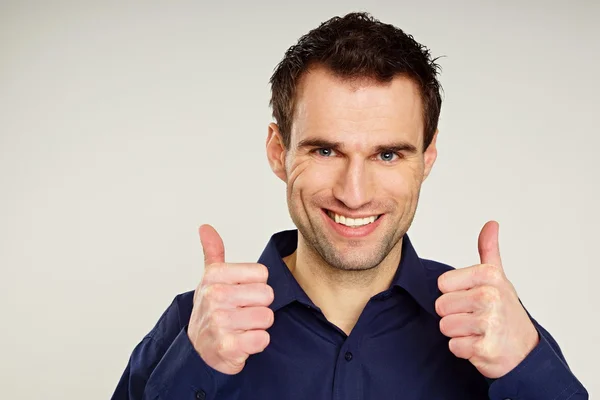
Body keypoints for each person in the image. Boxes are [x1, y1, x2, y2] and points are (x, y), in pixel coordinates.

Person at [112, 12, 588, 400]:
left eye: (387, 154)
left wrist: (528, 370)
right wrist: (194, 370)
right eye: (325, 150)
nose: (354, 193)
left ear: (428, 158)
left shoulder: (490, 324)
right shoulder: (194, 324)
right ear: (279, 152)